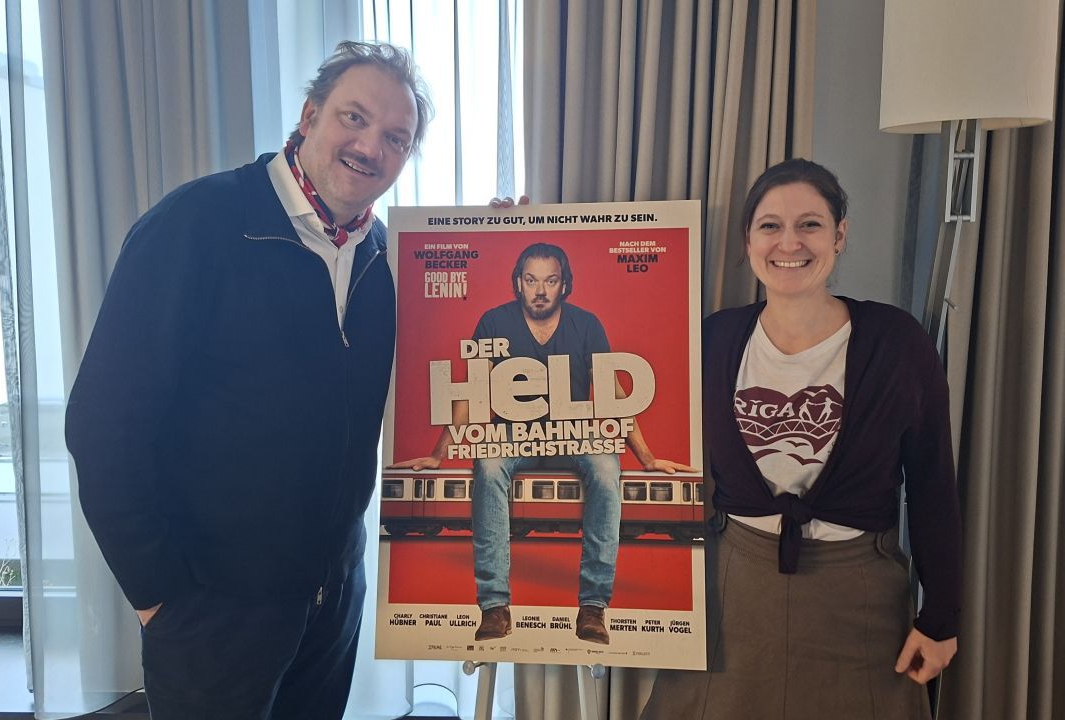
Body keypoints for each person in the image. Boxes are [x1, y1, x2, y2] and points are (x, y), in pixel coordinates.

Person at [65, 41, 431, 719]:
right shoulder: (197, 224)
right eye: (353, 118)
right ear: (310, 115)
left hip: (331, 601)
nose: (370, 147)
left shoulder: (381, 256)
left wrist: (498, 238)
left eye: (395, 137)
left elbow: (468, 337)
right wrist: (157, 594)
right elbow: (103, 424)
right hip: (212, 610)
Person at [641, 159, 961, 718]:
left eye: (810, 224)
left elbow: (932, 486)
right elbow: (603, 372)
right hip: (731, 591)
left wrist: (941, 618)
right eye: (770, 226)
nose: (789, 243)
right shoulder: (714, 339)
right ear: (749, 240)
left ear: (839, 235)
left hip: (858, 598)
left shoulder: (896, 342)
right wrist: (506, 236)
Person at [392, 242, 695, 645]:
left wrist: (647, 457)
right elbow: (473, 391)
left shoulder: (586, 324)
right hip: (514, 435)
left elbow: (614, 393)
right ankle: (494, 607)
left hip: (573, 434)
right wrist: (438, 453)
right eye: (531, 280)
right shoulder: (494, 322)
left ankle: (593, 607)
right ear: (518, 282)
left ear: (564, 284)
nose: (540, 290)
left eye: (550, 281)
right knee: (488, 465)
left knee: (607, 466)